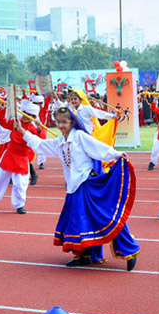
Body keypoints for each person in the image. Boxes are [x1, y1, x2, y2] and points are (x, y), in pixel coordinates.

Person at [20, 106, 140, 269]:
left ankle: (129, 250)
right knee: (77, 221)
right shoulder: (59, 142)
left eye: (64, 122)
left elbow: (98, 148)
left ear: (72, 122)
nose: (61, 125)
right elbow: (40, 145)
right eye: (58, 122)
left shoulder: (80, 137)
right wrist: (21, 130)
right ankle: (84, 254)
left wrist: (116, 154)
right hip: (73, 187)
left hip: (87, 184)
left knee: (104, 217)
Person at [0, 98, 44, 214]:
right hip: (9, 156)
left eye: (30, 115)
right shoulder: (15, 122)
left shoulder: (32, 129)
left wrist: (40, 129)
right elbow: (1, 121)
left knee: (20, 184)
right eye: (25, 114)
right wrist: (3, 108)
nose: (26, 116)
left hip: (22, 159)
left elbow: (39, 143)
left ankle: (19, 205)